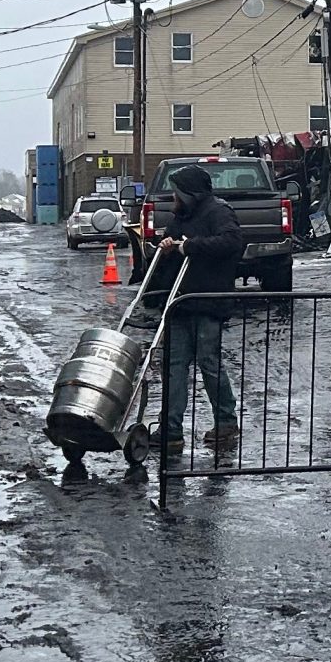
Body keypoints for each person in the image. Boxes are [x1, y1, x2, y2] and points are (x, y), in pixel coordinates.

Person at [128, 164, 242, 481]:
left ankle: (226, 422)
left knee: (209, 362)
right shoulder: (182, 217)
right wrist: (165, 249)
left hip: (207, 301)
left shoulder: (218, 212)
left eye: (177, 191)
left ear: (190, 192)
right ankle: (171, 429)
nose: (172, 198)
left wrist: (188, 246)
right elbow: (171, 242)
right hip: (179, 302)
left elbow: (232, 243)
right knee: (174, 364)